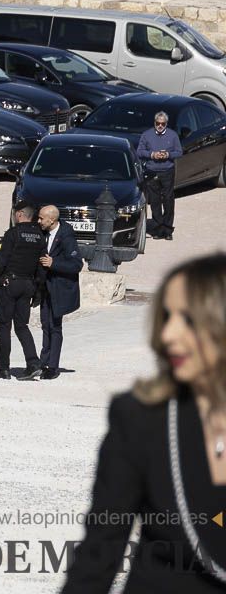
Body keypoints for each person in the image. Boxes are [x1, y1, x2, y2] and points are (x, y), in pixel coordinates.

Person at [62, 254, 226, 593]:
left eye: (188, 320)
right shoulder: (141, 419)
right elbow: (99, 552)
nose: (169, 335)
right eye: (166, 318)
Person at [0, 202, 45, 380]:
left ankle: (3, 368)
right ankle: (33, 363)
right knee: (22, 326)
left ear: (19, 215)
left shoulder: (13, 234)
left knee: (4, 326)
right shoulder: (40, 236)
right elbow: (42, 266)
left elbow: (1, 262)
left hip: (9, 284)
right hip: (28, 285)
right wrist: (39, 290)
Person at [37, 204, 83, 380]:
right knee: (45, 324)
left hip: (59, 288)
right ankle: (43, 362)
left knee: (55, 326)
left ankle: (52, 366)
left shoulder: (66, 236)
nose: (39, 221)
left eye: (41, 218)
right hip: (45, 287)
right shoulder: (43, 232)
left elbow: (76, 264)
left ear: (52, 220)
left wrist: (53, 263)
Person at [137, 110, 182, 240]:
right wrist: (152, 154)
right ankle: (157, 229)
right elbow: (139, 151)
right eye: (158, 123)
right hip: (152, 171)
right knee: (155, 201)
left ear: (166, 124)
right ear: (154, 123)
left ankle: (167, 230)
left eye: (163, 124)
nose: (160, 126)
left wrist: (168, 155)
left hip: (167, 171)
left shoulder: (173, 135)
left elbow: (179, 152)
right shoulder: (147, 135)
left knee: (168, 200)